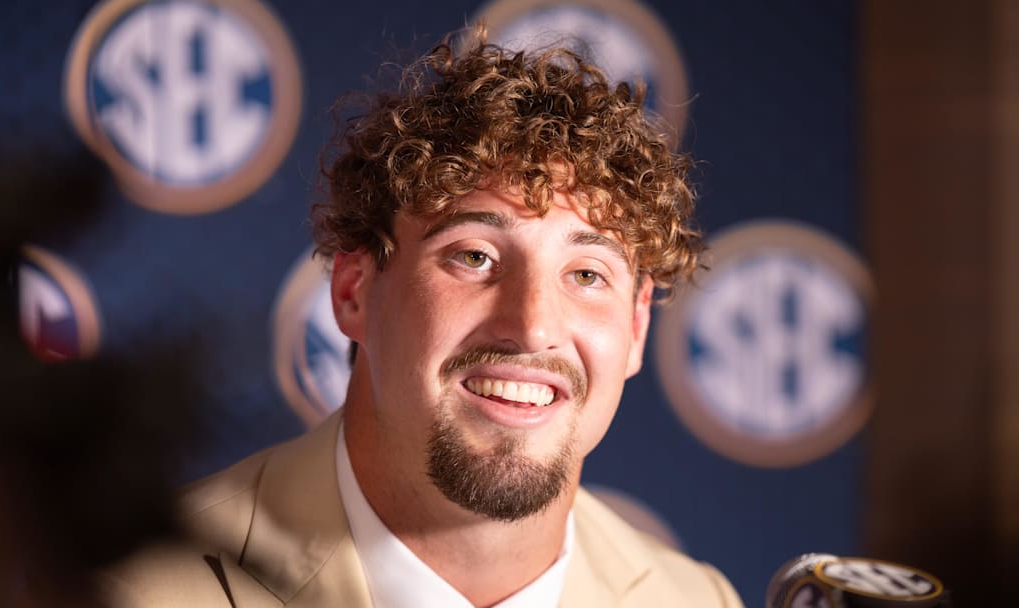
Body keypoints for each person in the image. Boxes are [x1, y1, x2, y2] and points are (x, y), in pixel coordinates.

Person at [103, 31, 743, 608]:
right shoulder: (134, 589)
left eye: (586, 275)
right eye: (474, 256)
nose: (532, 326)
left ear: (635, 329)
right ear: (355, 291)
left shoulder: (695, 599)